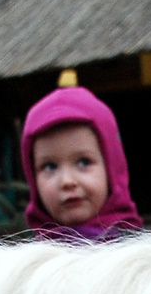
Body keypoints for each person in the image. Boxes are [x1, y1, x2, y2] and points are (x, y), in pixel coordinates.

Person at [21, 86, 141, 242]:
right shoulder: (29, 263)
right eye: (49, 166)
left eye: (84, 162)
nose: (67, 181)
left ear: (112, 168)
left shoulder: (142, 256)